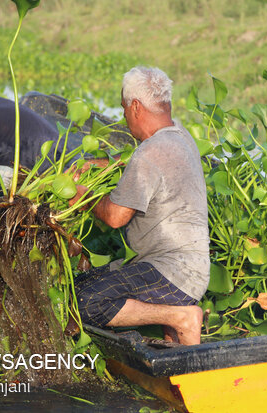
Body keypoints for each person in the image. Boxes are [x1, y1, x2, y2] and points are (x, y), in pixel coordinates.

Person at [69, 67, 209, 345]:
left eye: (123, 109)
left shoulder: (150, 151)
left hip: (172, 272)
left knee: (84, 302)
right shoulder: (177, 133)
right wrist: (104, 164)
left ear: (135, 107)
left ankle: (181, 318)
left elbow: (115, 216)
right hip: (185, 267)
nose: (123, 116)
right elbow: (147, 164)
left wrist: (82, 196)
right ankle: (174, 329)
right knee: (78, 285)